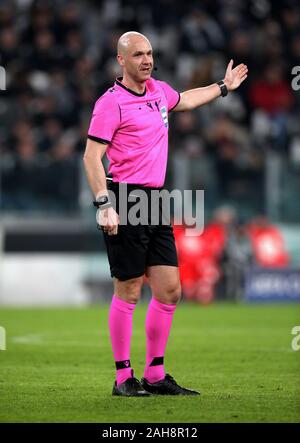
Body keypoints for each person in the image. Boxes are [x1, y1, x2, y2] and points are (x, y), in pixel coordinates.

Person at [83, 31, 248, 396]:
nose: (146, 59)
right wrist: (103, 204)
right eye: (138, 54)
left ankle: (155, 375)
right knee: (128, 289)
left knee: (170, 290)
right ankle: (124, 378)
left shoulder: (158, 90)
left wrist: (223, 87)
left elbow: (185, 100)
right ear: (121, 61)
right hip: (124, 198)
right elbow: (91, 157)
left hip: (156, 200)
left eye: (150, 53)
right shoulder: (110, 103)